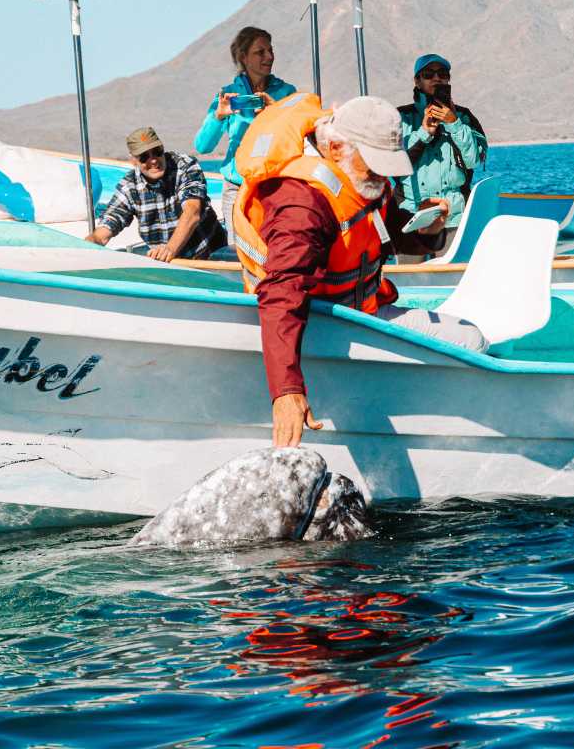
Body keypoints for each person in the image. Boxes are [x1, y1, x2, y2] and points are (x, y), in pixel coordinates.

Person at [232, 93, 489, 447]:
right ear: (337, 148)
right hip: (325, 321)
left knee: (468, 335)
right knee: (472, 340)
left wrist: (426, 232)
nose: (384, 175)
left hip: (358, 308)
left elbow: (384, 233)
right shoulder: (302, 204)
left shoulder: (362, 177)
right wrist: (287, 391)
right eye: (376, 164)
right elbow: (281, 293)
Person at [194, 26, 297, 242]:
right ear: (243, 57)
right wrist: (219, 116)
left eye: (271, 50)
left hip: (274, 187)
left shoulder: (287, 93)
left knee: (275, 250)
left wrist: (276, 111)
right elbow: (203, 146)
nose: (269, 57)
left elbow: (297, 137)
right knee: (239, 253)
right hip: (237, 189)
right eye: (260, 52)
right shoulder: (227, 95)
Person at [87, 127, 225, 262]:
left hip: (213, 257)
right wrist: (86, 246)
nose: (153, 160)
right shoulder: (129, 187)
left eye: (157, 152)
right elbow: (104, 231)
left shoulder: (185, 166)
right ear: (133, 160)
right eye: (144, 157)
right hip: (172, 266)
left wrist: (169, 250)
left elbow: (192, 212)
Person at [396, 53, 488, 252]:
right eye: (429, 74)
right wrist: (424, 132)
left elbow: (472, 161)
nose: (437, 78)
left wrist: (454, 123)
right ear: (417, 81)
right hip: (411, 215)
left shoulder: (465, 117)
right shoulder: (401, 117)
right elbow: (395, 165)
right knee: (412, 277)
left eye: (443, 74)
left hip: (453, 217)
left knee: (453, 274)